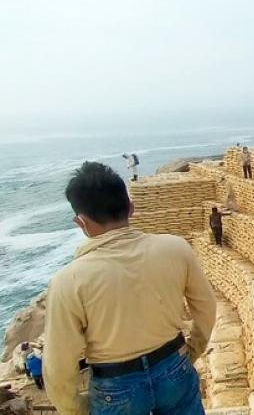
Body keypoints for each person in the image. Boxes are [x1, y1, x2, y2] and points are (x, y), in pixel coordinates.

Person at [44, 162, 216, 415]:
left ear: (81, 222)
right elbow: (206, 306)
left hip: (115, 385)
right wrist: (192, 351)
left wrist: (74, 407)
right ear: (131, 208)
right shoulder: (175, 248)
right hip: (173, 364)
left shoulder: (67, 281)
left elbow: (59, 363)